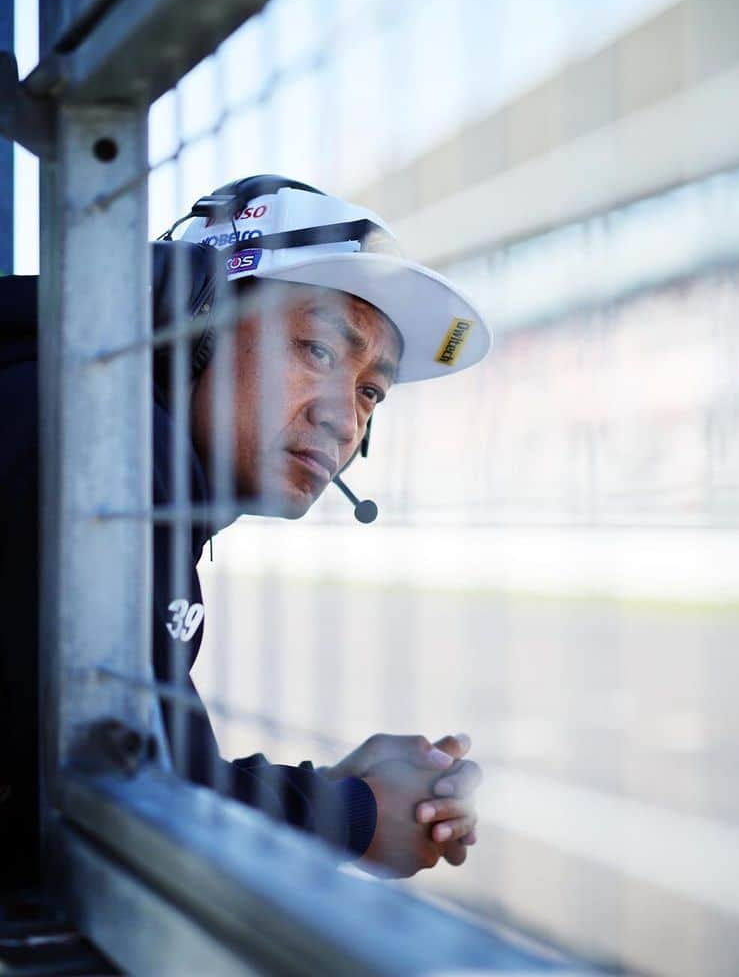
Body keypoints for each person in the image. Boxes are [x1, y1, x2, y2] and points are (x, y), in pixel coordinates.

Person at [0, 175, 492, 888]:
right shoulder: (108, 448)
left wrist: (338, 795)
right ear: (194, 322)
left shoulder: (93, 429)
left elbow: (116, 765)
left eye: (369, 391)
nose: (344, 420)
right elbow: (128, 800)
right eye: (319, 351)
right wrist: (349, 815)